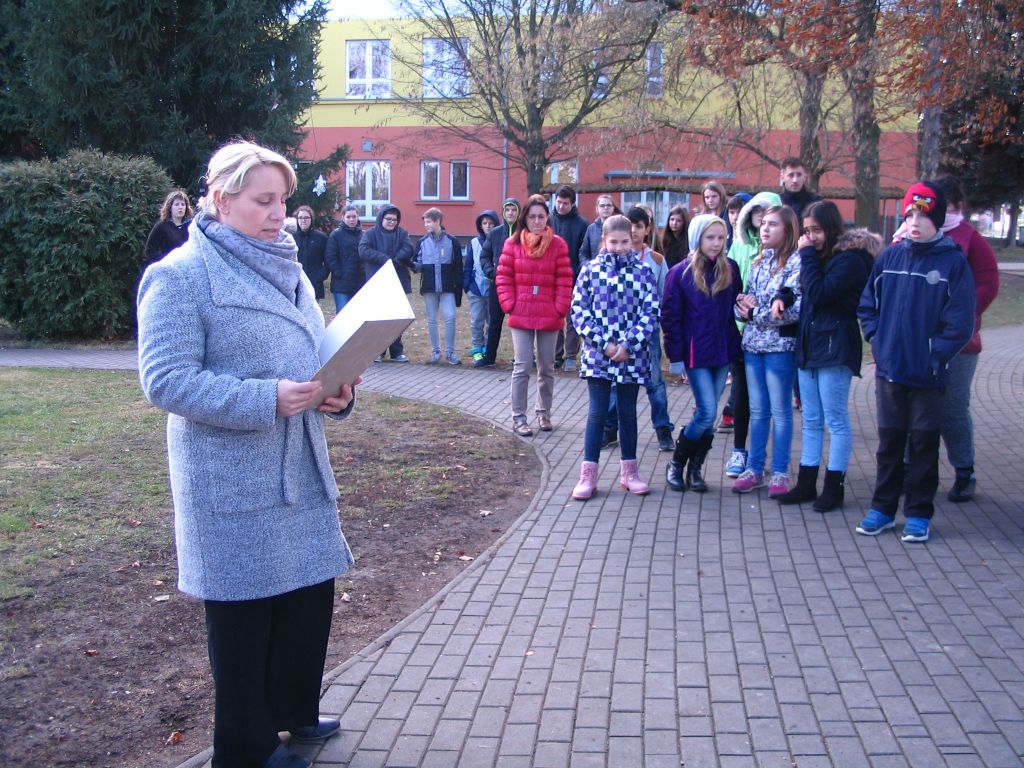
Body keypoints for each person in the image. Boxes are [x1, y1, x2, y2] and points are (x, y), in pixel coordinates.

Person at [136, 141, 357, 768]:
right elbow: (164, 380)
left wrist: (334, 392)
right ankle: (245, 746)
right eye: (263, 201)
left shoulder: (288, 265)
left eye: (282, 200)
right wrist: (267, 399)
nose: (278, 214)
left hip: (299, 466)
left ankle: (294, 709)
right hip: (229, 477)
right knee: (245, 617)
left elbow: (309, 352)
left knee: (306, 597)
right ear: (220, 199)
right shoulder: (181, 275)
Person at [856, 181, 976, 543]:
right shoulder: (889, 258)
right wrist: (879, 340)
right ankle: (882, 509)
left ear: (936, 219)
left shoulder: (953, 262)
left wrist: (934, 354)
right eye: (909, 215)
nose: (914, 222)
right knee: (889, 445)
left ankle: (919, 513)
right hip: (890, 371)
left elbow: (961, 322)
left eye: (923, 216)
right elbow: (868, 304)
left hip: (928, 375)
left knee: (923, 445)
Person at [903, 175, 999, 502]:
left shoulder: (970, 240)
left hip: (958, 345)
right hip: (914, 341)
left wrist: (957, 318)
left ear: (955, 206)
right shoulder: (908, 236)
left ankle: (964, 471)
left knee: (951, 408)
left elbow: (987, 284)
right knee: (909, 406)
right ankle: (906, 469)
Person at [775, 201, 877, 510]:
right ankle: (806, 483)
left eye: (816, 230)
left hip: (835, 346)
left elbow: (820, 294)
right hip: (809, 344)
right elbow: (802, 291)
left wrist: (806, 255)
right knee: (811, 418)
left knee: (835, 419)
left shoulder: (851, 260)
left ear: (832, 228)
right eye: (806, 231)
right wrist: (784, 296)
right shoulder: (816, 258)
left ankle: (834, 486)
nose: (810, 237)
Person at [570, 214, 660, 499]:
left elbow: (651, 312)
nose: (619, 248)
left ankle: (630, 472)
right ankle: (588, 474)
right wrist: (604, 344)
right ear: (603, 241)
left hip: (632, 357)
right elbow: (579, 312)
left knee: (627, 413)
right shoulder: (590, 271)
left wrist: (629, 344)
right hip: (599, 356)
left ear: (632, 240)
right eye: (614, 242)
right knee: (597, 413)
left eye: (624, 242)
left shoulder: (644, 271)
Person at [661, 214, 742, 493]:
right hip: (696, 354)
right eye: (710, 238)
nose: (716, 243)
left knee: (707, 413)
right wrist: (676, 357)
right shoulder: (680, 273)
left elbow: (736, 304)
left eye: (721, 237)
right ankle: (676, 464)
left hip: (723, 350)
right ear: (697, 238)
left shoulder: (730, 269)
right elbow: (670, 318)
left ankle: (695, 469)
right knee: (707, 412)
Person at [732, 205, 802, 496]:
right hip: (753, 346)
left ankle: (781, 472)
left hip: (780, 348)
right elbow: (744, 304)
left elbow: (790, 311)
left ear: (788, 229)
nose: (765, 228)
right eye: (764, 224)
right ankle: (755, 468)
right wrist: (744, 307)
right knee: (758, 410)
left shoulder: (797, 262)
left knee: (780, 411)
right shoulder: (759, 261)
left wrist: (753, 313)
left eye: (773, 224)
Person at [495, 194, 574, 436]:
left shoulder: (558, 245)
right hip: (522, 312)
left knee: (546, 368)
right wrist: (509, 304)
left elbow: (564, 279)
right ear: (525, 218)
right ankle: (519, 417)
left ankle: (544, 413)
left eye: (541, 216)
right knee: (521, 366)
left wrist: (560, 308)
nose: (537, 221)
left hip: (549, 313)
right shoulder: (512, 243)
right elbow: (503, 276)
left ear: (547, 218)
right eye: (532, 217)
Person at [722, 191, 781, 479]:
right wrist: (738, 307)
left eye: (766, 212)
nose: (761, 218)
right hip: (741, 330)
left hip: (773, 334)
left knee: (770, 402)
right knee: (742, 394)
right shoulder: (739, 245)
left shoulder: (782, 252)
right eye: (756, 211)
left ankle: (762, 457)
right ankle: (739, 451)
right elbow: (730, 284)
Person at [359, 203, 414, 362]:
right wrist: (384, 259)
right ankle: (378, 351)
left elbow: (408, 249)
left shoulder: (402, 233)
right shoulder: (370, 234)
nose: (391, 222)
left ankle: (397, 351)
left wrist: (396, 260)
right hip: (378, 281)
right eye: (388, 219)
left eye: (394, 220)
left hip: (398, 280)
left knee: (397, 318)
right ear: (381, 218)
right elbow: (364, 250)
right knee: (379, 318)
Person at [413, 207, 463, 365]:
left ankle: (450, 352)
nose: (426, 225)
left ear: (437, 221)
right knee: (432, 320)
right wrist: (411, 264)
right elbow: (417, 264)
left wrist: (458, 290)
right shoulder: (422, 242)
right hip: (429, 287)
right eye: (425, 222)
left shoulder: (452, 241)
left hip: (448, 287)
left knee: (450, 317)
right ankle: (435, 352)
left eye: (428, 222)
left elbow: (458, 267)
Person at [475, 197, 521, 368]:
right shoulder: (495, 233)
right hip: (499, 284)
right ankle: (489, 357)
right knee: (494, 322)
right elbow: (484, 256)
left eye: (513, 210)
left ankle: (523, 357)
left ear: (519, 212)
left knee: (520, 322)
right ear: (503, 212)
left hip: (520, 285)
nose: (510, 213)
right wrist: (491, 272)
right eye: (507, 210)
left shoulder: (524, 232)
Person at [550, 185, 590, 372]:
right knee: (554, 317)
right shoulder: (549, 221)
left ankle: (571, 356)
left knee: (573, 319)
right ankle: (555, 355)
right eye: (558, 202)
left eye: (565, 203)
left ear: (572, 203)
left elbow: (583, 251)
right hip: (551, 277)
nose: (561, 206)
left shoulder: (582, 224)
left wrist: (577, 272)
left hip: (573, 278)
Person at [464, 209, 499, 363]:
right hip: (476, 289)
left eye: (491, 223)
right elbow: (468, 265)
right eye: (485, 223)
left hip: (493, 289)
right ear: (480, 225)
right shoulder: (474, 243)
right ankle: (477, 347)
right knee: (477, 320)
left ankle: (487, 348)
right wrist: (467, 286)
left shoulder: (499, 240)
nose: (488, 226)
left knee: (491, 321)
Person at [324, 204, 366, 313]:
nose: (351, 219)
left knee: (358, 316)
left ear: (358, 217)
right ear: (343, 217)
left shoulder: (364, 235)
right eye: (348, 217)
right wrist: (339, 273)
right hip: (341, 284)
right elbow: (330, 257)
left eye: (354, 216)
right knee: (343, 315)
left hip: (360, 282)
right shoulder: (336, 235)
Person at [143, 189, 192, 267]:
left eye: (183, 204)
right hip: (168, 268)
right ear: (170, 207)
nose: (180, 207)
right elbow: (150, 250)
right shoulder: (161, 226)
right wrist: (165, 262)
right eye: (177, 204)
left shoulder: (192, 226)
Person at [293, 205, 329, 301]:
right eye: (300, 218)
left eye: (306, 217)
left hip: (315, 283)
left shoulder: (321, 238)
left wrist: (321, 275)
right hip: (297, 283)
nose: (303, 220)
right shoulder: (292, 239)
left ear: (311, 219)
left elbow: (328, 260)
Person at [578, 193, 622, 265]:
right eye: (602, 205)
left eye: (609, 205)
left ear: (613, 208)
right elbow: (583, 254)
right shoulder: (591, 229)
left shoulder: (620, 227)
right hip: (595, 269)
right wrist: (589, 265)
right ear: (597, 209)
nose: (606, 208)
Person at [661, 203, 691, 269]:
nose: (674, 223)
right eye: (672, 219)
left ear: (684, 222)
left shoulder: (689, 241)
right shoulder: (664, 240)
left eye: (679, 221)